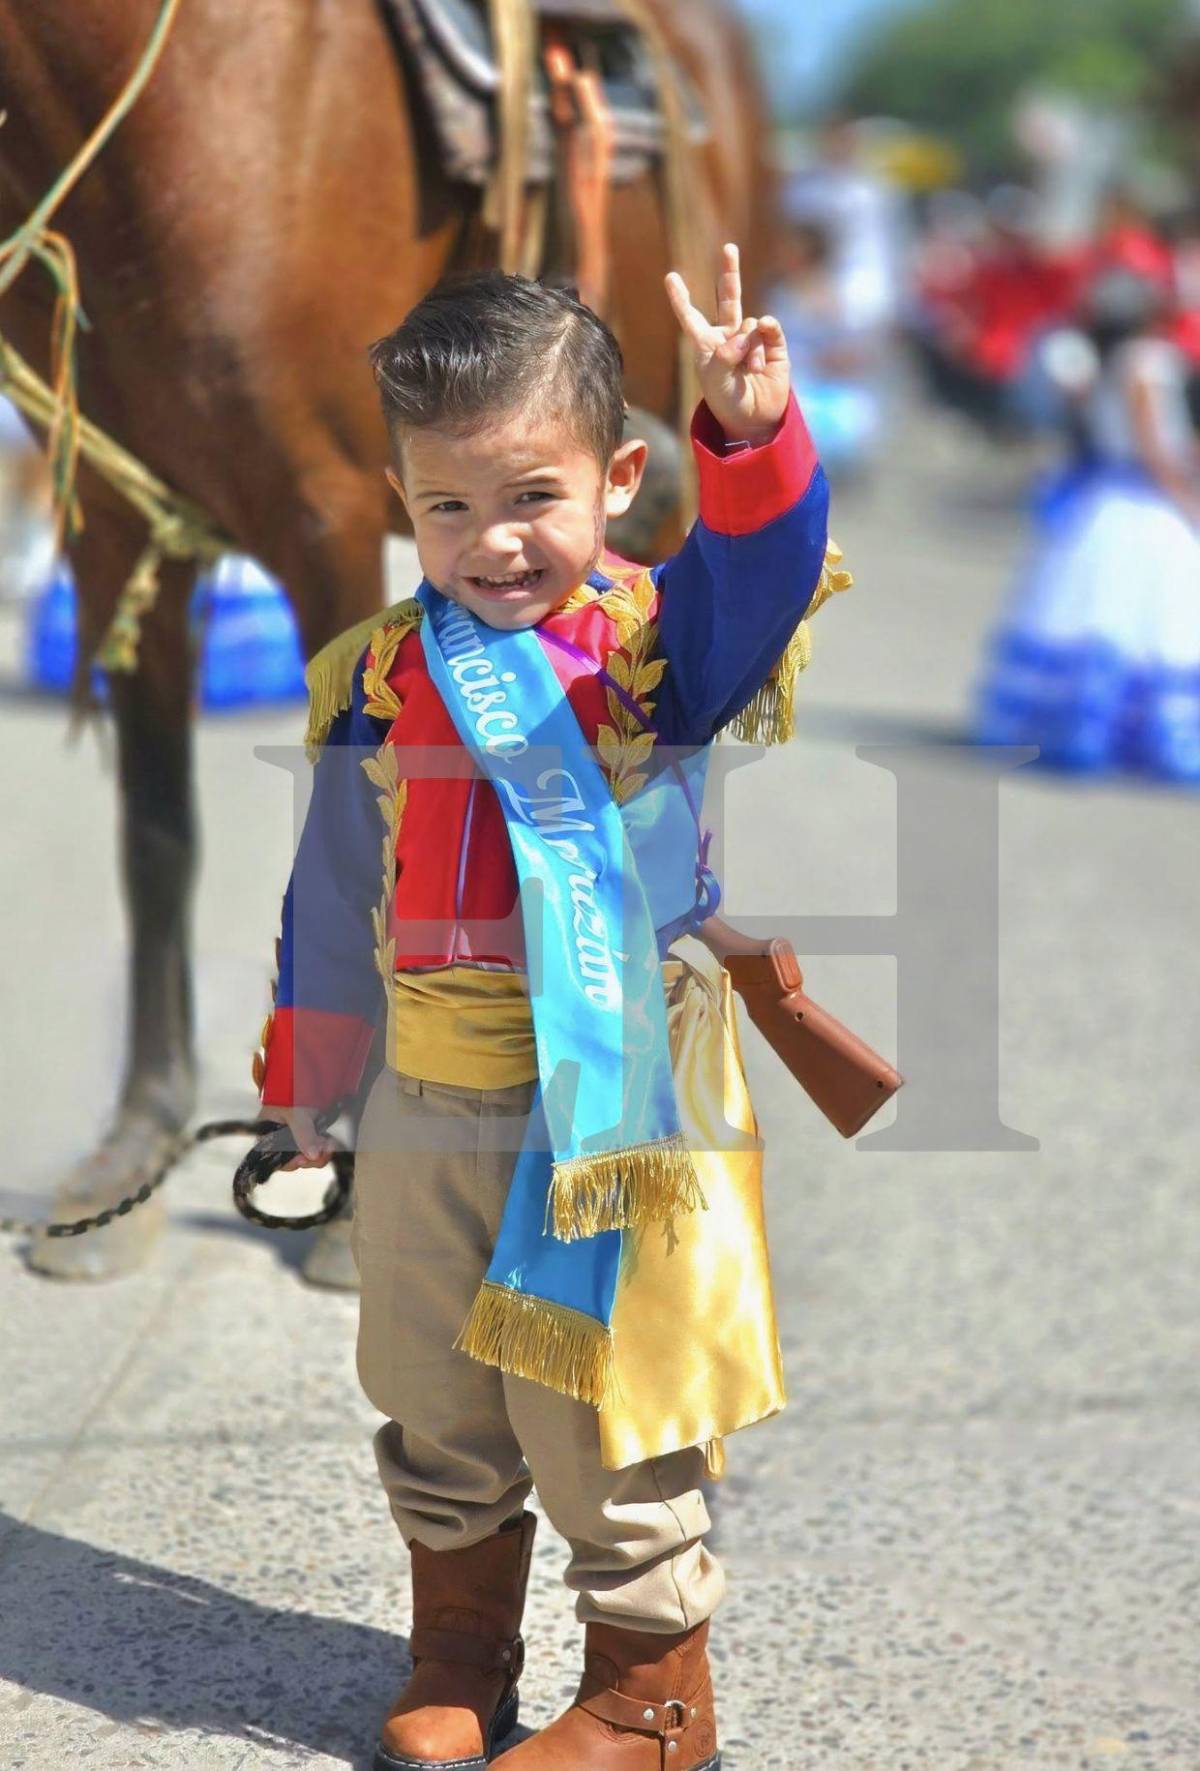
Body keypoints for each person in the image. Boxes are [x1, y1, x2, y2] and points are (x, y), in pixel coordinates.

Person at [257, 246, 837, 1770]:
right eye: (448, 504)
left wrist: (752, 433)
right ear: (403, 501)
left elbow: (764, 571)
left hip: (602, 1084)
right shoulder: (381, 673)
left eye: (533, 496)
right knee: (430, 1384)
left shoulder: (659, 645)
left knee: (596, 1398)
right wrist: (307, 1085)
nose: (494, 542)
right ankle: (460, 1644)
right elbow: (328, 900)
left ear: (617, 477)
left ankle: (651, 1691)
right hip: (423, 1088)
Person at [974, 267, 1200, 780]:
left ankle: (1076, 724)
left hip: (1103, 496)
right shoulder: (1147, 360)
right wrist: (1186, 497)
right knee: (1151, 618)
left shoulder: (1099, 360)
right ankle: (1139, 733)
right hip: (1142, 495)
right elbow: (1152, 444)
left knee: (1098, 613)